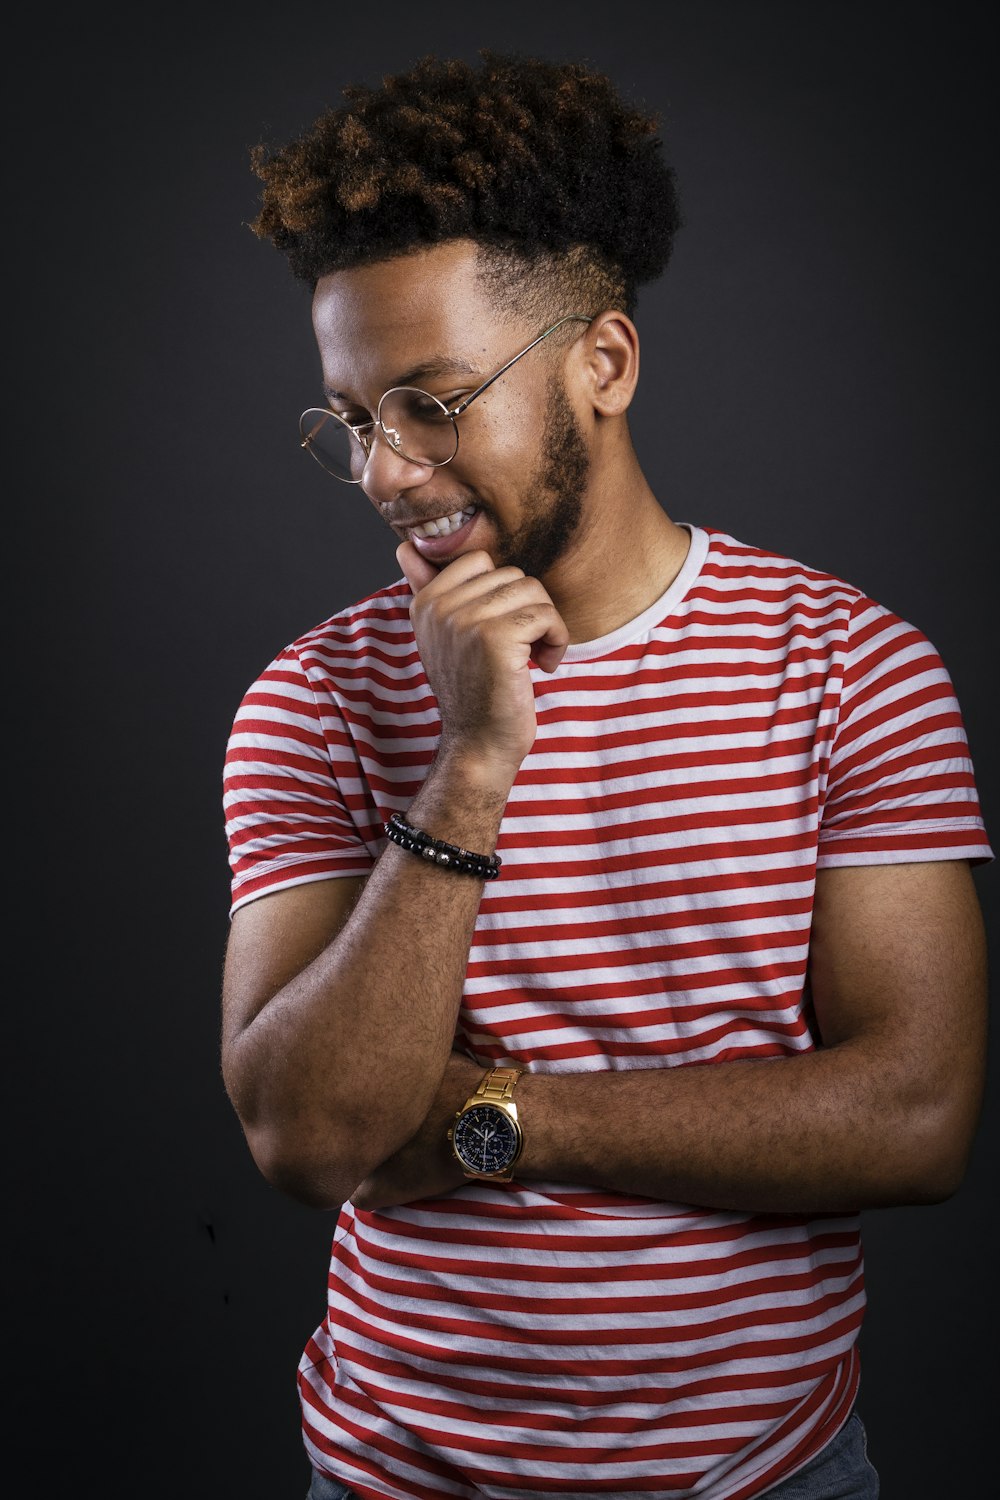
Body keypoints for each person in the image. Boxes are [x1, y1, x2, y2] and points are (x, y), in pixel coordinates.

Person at [220, 51, 992, 1500]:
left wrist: (493, 1117)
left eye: (433, 404)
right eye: (355, 416)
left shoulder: (855, 670)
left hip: (771, 1477)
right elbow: (314, 1133)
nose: (387, 471)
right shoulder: (312, 697)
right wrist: (468, 768)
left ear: (607, 363)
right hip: (397, 1476)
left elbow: (913, 1116)